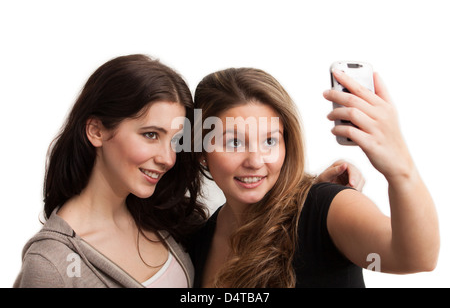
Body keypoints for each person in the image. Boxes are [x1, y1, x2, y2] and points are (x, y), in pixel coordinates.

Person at [189, 67, 440, 287]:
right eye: (233, 142)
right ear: (201, 150)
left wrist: (400, 169)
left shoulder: (325, 206)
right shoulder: (198, 240)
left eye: (269, 140)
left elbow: (416, 257)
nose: (255, 161)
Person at [14, 54, 208, 288]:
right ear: (96, 131)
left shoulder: (165, 219)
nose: (168, 158)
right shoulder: (51, 264)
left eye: (175, 140)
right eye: (150, 135)